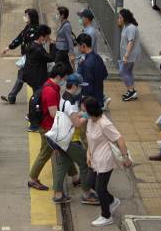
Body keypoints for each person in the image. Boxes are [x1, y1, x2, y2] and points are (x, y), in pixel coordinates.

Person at [83, 97, 132, 227]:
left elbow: (119, 138)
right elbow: (90, 139)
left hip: (105, 160)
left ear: (90, 111)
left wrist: (125, 157)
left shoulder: (104, 123)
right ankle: (112, 200)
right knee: (90, 183)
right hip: (94, 159)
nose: (82, 111)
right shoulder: (90, 120)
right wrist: (88, 153)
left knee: (100, 189)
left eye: (84, 109)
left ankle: (106, 216)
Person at [51, 73, 98, 204]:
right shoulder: (70, 102)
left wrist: (80, 114)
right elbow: (77, 123)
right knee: (85, 163)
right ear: (75, 86)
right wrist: (88, 115)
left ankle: (58, 195)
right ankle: (87, 193)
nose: (81, 89)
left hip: (61, 139)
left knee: (63, 166)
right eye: (80, 86)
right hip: (71, 140)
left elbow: (70, 116)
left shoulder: (63, 97)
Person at [28, 63, 72, 192]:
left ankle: (74, 176)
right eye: (64, 78)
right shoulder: (51, 91)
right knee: (45, 154)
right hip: (49, 128)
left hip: (48, 126)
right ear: (58, 76)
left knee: (64, 150)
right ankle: (32, 179)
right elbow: (53, 113)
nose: (64, 81)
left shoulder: (50, 85)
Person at [1, 8, 39, 104]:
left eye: (26, 16)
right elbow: (19, 38)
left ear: (31, 17)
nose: (25, 17)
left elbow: (32, 45)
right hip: (26, 58)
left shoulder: (34, 30)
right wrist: (9, 47)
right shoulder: (27, 27)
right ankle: (12, 96)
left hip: (31, 59)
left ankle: (37, 98)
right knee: (22, 77)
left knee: (29, 79)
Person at [76, 33, 108, 109]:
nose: (78, 48)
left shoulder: (87, 63)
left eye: (78, 46)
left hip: (90, 103)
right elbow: (105, 74)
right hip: (99, 97)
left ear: (83, 45)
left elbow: (87, 87)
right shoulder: (98, 57)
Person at [117, 9, 140, 101]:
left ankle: (131, 91)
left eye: (120, 17)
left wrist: (126, 55)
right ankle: (131, 90)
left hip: (130, 54)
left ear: (125, 18)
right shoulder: (126, 26)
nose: (119, 19)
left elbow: (131, 41)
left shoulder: (130, 28)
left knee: (123, 72)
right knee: (128, 72)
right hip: (129, 54)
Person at [54, 6, 76, 74]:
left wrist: (71, 53)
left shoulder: (66, 26)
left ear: (62, 15)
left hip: (62, 50)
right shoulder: (62, 24)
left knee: (56, 67)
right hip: (59, 49)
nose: (56, 16)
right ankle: (73, 76)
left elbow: (69, 39)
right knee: (67, 66)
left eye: (57, 14)